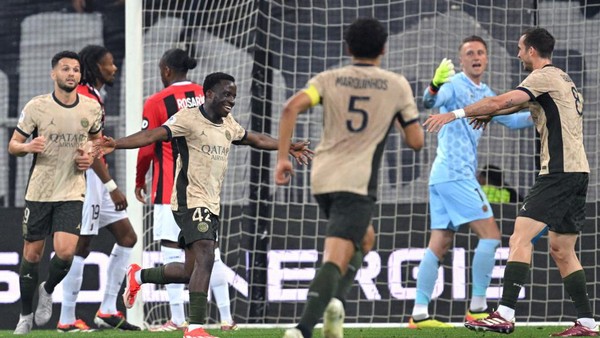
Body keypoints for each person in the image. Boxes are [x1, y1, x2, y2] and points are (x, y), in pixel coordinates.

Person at [95, 71, 313, 338]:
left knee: (190, 271)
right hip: (189, 200)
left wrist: (286, 146)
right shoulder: (188, 118)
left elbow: (255, 138)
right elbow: (152, 135)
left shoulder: (228, 123)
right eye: (226, 94)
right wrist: (116, 144)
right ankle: (194, 328)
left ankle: (138, 277)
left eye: (233, 95)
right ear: (209, 94)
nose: (231, 100)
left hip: (211, 202)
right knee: (207, 254)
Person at [424, 27, 596, 337]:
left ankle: (504, 313)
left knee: (519, 238)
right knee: (561, 250)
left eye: (520, 49)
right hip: (578, 172)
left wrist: (455, 114)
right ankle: (586, 322)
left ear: (532, 51)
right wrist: (490, 113)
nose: (517, 54)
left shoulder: (542, 77)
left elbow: (503, 100)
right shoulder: (564, 81)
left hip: (557, 173)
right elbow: (516, 108)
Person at [275, 18, 424, 338]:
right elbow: (416, 142)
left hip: (323, 177)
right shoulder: (396, 84)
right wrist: (396, 116)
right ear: (384, 48)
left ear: (347, 47)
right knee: (336, 255)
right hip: (356, 183)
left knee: (365, 238)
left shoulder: (329, 78)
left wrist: (283, 159)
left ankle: (335, 304)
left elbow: (289, 109)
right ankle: (301, 329)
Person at [409, 36, 533, 329]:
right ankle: (477, 308)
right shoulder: (452, 85)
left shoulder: (486, 92)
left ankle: (419, 314)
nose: (476, 57)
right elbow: (429, 102)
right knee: (490, 236)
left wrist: (540, 113)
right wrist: (434, 85)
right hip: (455, 173)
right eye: (469, 53)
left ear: (486, 58)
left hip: (442, 176)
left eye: (480, 52)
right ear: (461, 60)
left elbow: (512, 122)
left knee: (440, 243)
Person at [135, 48, 238, 332]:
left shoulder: (157, 101)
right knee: (208, 255)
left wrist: (138, 179)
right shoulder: (208, 95)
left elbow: (147, 144)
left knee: (184, 256)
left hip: (170, 188)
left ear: (166, 70)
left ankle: (179, 319)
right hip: (203, 190)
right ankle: (224, 318)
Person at [8, 50, 102, 335]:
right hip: (40, 190)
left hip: (72, 189)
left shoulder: (91, 107)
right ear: (54, 74)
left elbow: (97, 142)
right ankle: (25, 316)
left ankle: (47, 289)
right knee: (33, 256)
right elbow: (13, 145)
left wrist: (88, 156)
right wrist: (28, 147)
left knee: (65, 252)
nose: (71, 74)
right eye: (65, 69)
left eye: (75, 69)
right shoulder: (37, 107)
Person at [57, 45, 140, 332]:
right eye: (109, 63)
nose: (114, 68)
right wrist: (112, 186)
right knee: (81, 244)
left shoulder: (95, 95)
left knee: (127, 236)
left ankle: (106, 310)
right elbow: (89, 148)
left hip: (96, 175)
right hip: (84, 177)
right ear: (95, 66)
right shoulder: (84, 96)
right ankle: (67, 318)